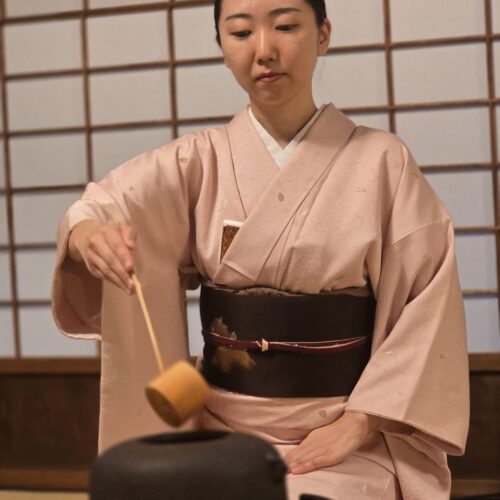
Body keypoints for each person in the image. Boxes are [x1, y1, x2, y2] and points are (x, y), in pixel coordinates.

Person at [51, 0, 470, 498]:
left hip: (343, 441)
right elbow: (102, 205)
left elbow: (427, 301)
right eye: (241, 32)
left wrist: (359, 422)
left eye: (286, 26)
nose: (265, 50)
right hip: (220, 433)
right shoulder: (198, 161)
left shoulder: (383, 162)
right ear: (222, 46)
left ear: (323, 35)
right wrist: (87, 235)